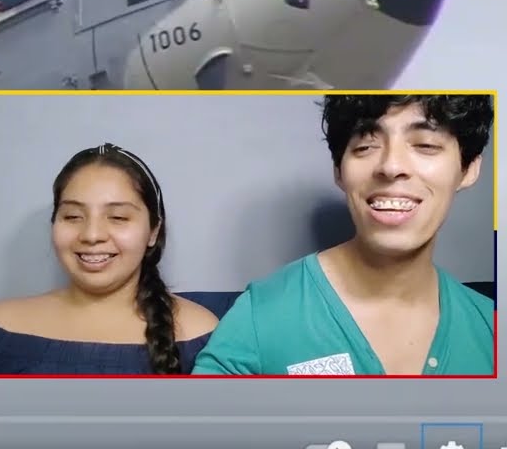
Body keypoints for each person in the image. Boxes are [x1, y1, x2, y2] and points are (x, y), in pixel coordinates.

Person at [193, 94, 495, 376]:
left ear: (468, 169)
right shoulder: (261, 316)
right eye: (365, 146)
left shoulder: (490, 328)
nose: (391, 166)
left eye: (426, 145)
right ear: (339, 170)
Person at [0, 143, 218, 374]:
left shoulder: (202, 336)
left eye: (118, 217)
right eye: (73, 216)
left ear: (153, 232)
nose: (92, 235)